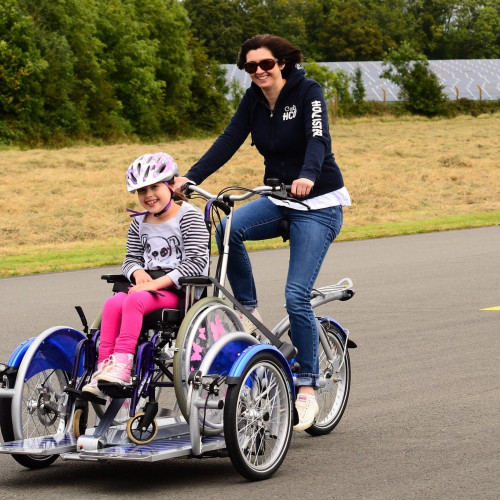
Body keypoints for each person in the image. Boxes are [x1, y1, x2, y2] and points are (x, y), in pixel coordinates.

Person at [174, 34, 351, 431]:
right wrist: (191, 177)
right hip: (278, 197)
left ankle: (307, 386)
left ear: (282, 63)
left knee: (295, 295)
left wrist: (308, 176)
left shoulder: (308, 91)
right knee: (226, 227)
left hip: (318, 204)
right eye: (250, 67)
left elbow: (318, 139)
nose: (258, 72)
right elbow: (229, 140)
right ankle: (249, 312)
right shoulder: (253, 100)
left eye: (266, 65)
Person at [83, 152, 209, 398]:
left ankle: (123, 367)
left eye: (154, 187)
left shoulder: (189, 216)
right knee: (112, 302)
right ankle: (104, 370)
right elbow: (130, 258)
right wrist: (138, 272)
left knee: (133, 299)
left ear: (171, 185)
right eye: (142, 191)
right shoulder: (139, 223)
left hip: (179, 290)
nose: (148, 195)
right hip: (147, 288)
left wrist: (155, 284)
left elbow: (196, 263)